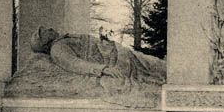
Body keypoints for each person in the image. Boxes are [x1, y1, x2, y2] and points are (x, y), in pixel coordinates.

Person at [30, 27, 166, 87]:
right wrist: (104, 69)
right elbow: (75, 64)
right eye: (44, 31)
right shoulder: (57, 49)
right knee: (153, 67)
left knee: (153, 65)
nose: (49, 29)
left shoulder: (61, 41)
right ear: (44, 42)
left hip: (114, 52)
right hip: (113, 60)